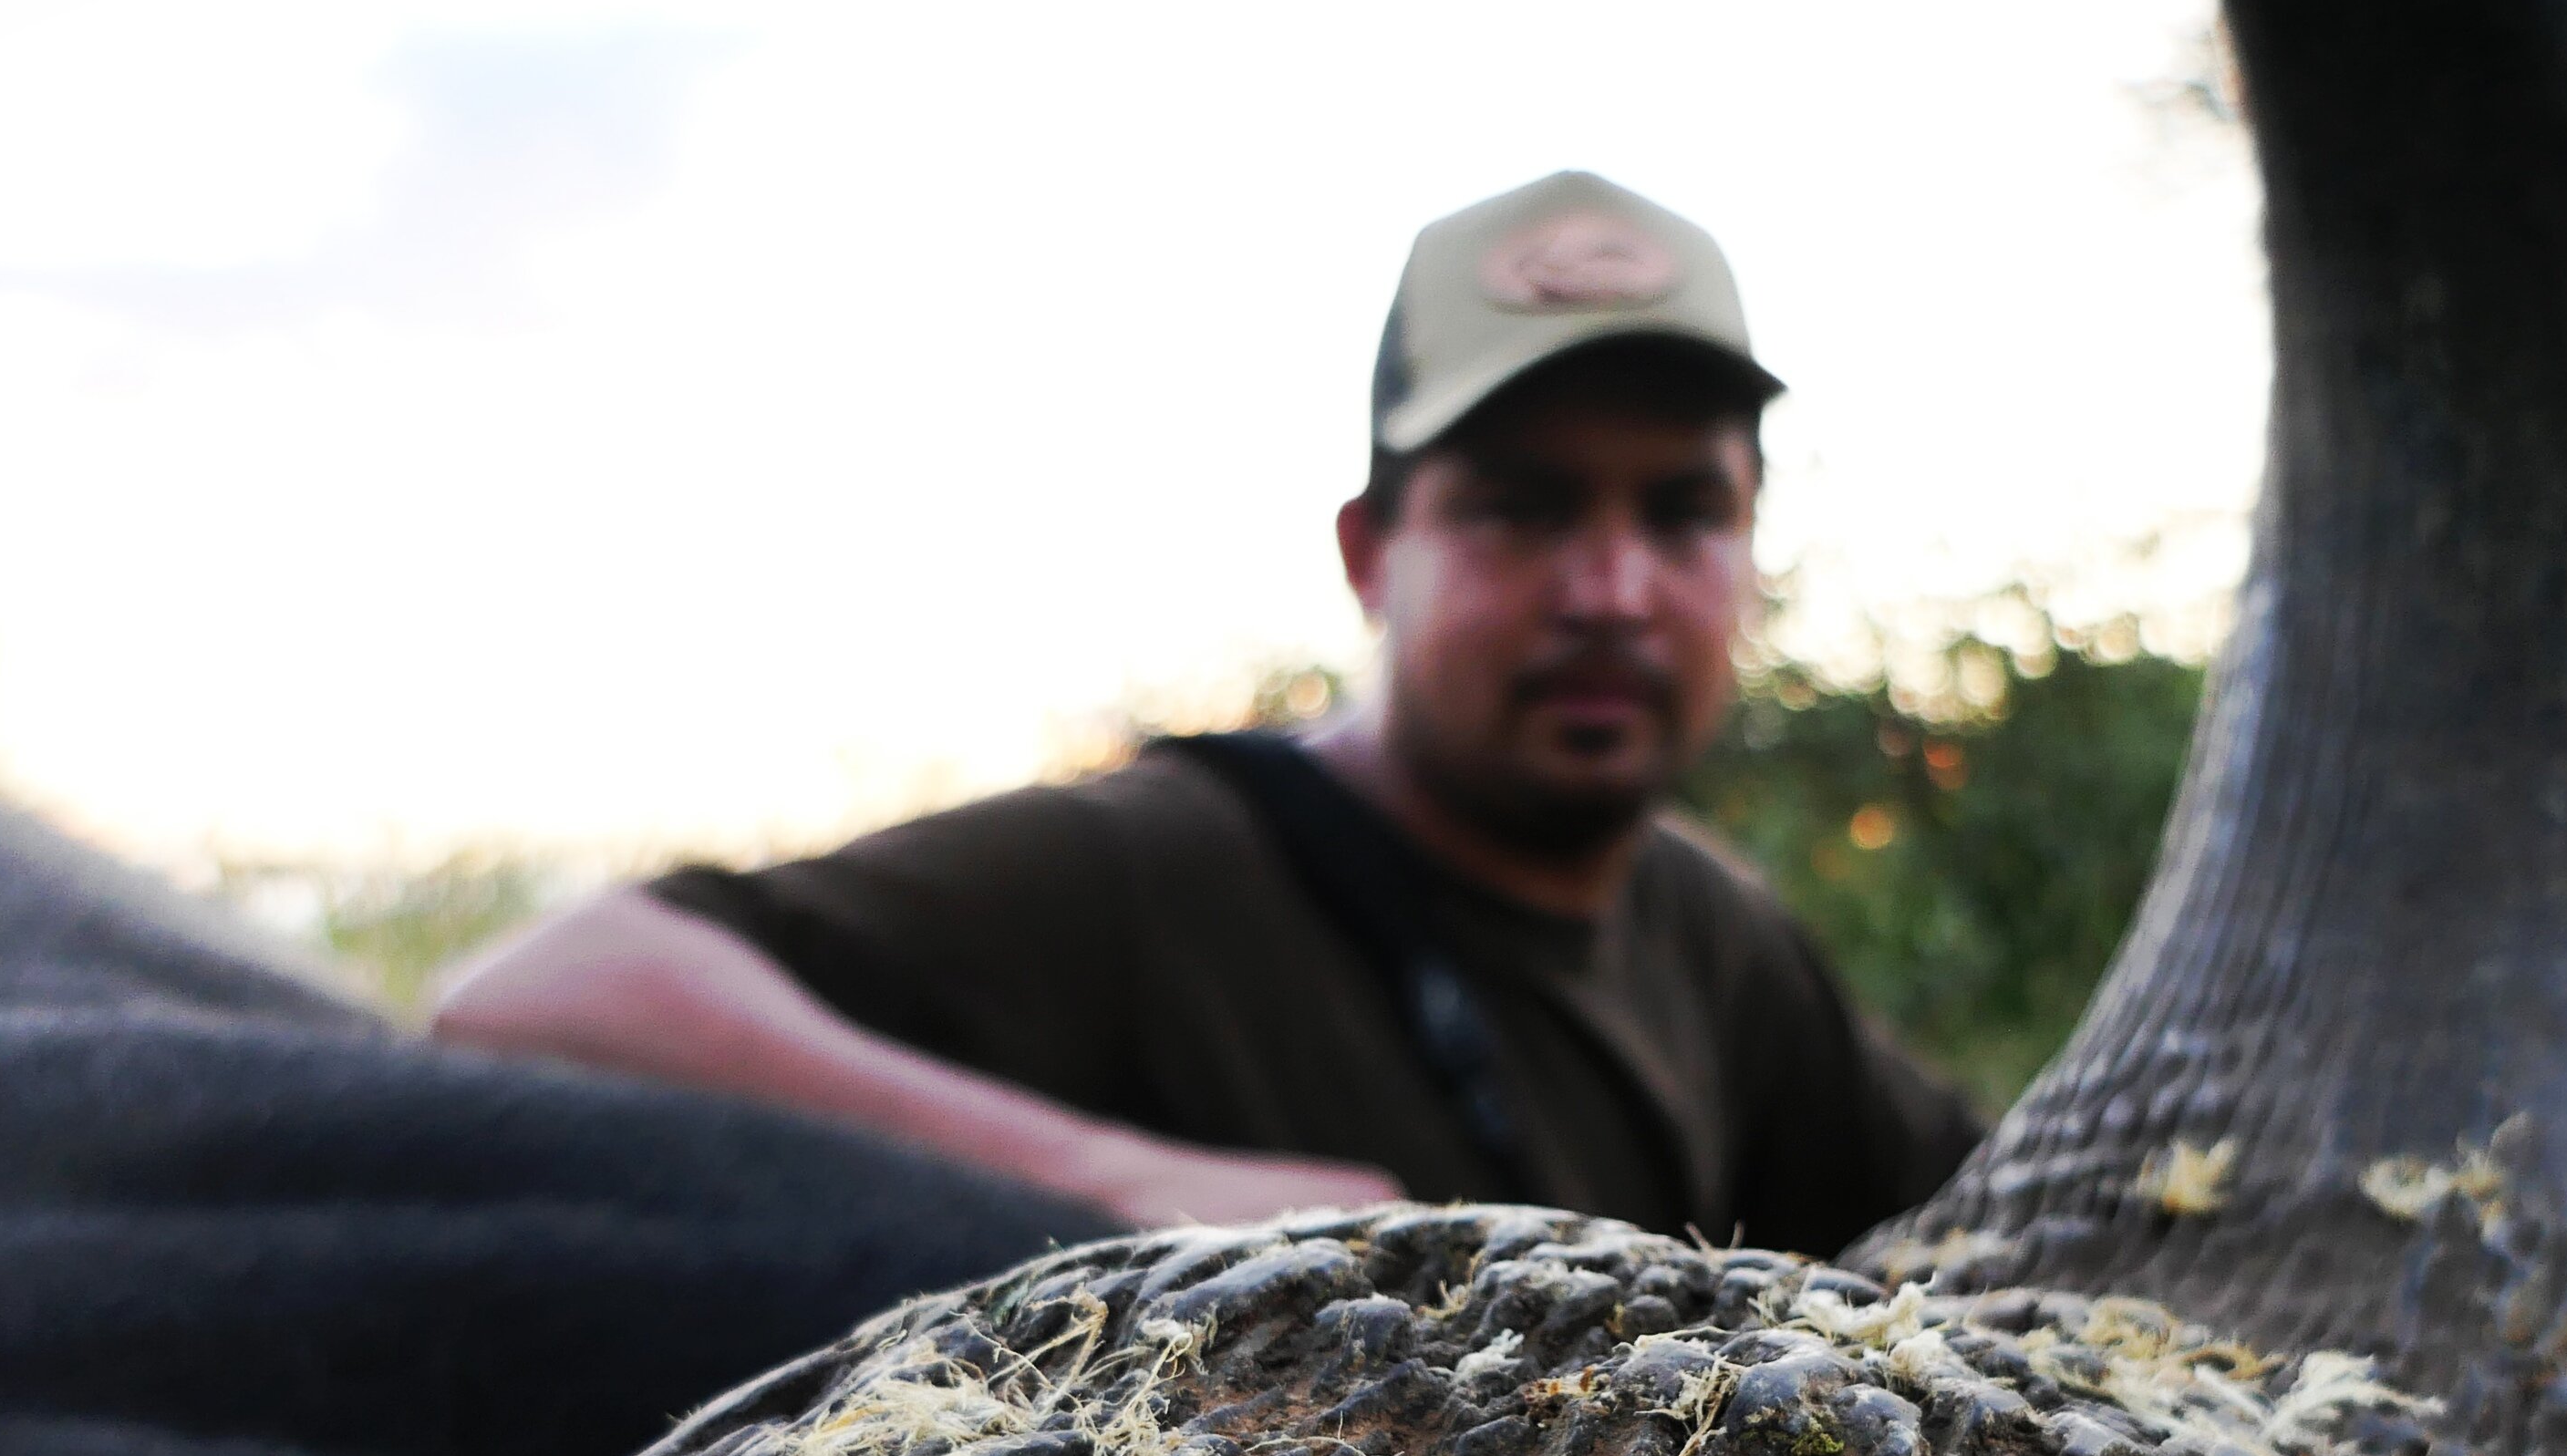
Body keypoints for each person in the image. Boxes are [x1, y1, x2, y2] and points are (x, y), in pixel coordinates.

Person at [432, 170, 1982, 1255]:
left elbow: (2008, 1222)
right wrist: (1112, 1179)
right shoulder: (1159, 873)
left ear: (1752, 552)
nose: (1613, 587)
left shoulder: (1714, 933)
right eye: (1521, 507)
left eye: (1682, 514)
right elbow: (543, 1000)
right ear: (1373, 557)